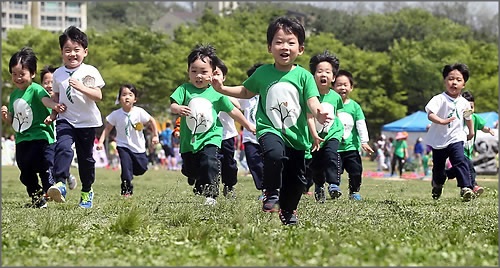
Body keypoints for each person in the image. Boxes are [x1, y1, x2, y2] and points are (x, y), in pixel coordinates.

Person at [211, 16, 331, 225]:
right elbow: (246, 90)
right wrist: (221, 88)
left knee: (296, 181)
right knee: (274, 154)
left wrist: (319, 112)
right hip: (269, 128)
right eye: (279, 42)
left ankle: (288, 210)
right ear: (270, 47)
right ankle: (270, 192)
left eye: (291, 42)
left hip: (296, 136)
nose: (285, 47)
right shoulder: (263, 72)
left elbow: (312, 100)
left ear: (300, 49)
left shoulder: (304, 76)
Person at [169, 44, 255, 206]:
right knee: (191, 169)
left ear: (212, 73)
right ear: (188, 72)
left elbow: (233, 111)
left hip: (211, 137)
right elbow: (173, 106)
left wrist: (248, 125)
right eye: (194, 71)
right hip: (190, 141)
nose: (198, 76)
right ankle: (195, 178)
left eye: (203, 72)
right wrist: (178, 108)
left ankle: (211, 195)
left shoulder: (217, 93)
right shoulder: (184, 89)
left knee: (210, 162)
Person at [46, 26, 106, 209]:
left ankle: (87, 191)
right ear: (62, 52)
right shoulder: (58, 74)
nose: (72, 54)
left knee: (86, 159)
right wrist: (54, 112)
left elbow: (98, 96)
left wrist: (81, 87)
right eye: (67, 50)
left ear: (85, 52)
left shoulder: (90, 71)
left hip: (87, 122)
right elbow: (56, 98)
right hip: (66, 120)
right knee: (63, 148)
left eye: (76, 50)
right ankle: (60, 184)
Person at [1, 47, 65, 208]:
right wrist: (5, 116)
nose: (18, 78)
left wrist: (55, 106)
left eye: (22, 74)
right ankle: (38, 199)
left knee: (45, 166)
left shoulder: (36, 89)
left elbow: (46, 101)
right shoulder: (14, 95)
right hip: (23, 139)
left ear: (33, 73)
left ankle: (51, 188)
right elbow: (14, 119)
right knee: (25, 172)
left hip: (42, 137)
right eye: (14, 74)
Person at [96, 84, 159, 197]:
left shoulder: (139, 112)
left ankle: (131, 170)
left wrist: (155, 135)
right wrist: (100, 142)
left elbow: (152, 121)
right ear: (119, 98)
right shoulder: (116, 114)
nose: (127, 97)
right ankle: (126, 191)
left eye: (130, 95)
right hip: (123, 145)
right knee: (125, 169)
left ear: (135, 99)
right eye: (124, 94)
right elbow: (108, 129)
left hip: (138, 147)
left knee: (142, 168)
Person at [423, 63, 475, 202]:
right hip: (439, 140)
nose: (454, 82)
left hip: (456, 137)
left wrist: (471, 131)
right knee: (439, 169)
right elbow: (430, 114)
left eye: (459, 80)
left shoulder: (464, 102)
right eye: (451, 79)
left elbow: (468, 117)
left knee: (460, 161)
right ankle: (438, 184)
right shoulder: (439, 99)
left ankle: (466, 188)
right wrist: (441, 121)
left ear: (463, 84)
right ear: (445, 81)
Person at [306, 50, 344, 203]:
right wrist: (314, 136)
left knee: (331, 156)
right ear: (313, 75)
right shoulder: (309, 95)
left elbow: (337, 114)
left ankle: (334, 184)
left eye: (328, 72)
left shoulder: (335, 96)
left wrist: (341, 131)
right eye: (319, 71)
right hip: (314, 136)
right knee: (316, 164)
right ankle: (319, 186)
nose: (323, 74)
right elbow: (309, 117)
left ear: (333, 77)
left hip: (332, 133)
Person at [333, 70, 374, 201]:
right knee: (334, 170)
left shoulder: (355, 107)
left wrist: (364, 142)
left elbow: (361, 124)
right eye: (339, 85)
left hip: (351, 148)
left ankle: (354, 191)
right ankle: (334, 187)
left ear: (351, 87)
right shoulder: (329, 104)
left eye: (345, 85)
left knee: (356, 171)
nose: (342, 88)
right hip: (334, 147)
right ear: (332, 86)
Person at [445, 90, 495, 197]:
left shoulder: (475, 118)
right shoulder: (457, 119)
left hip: (468, 151)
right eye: (466, 108)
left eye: (471, 107)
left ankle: (444, 175)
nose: (469, 110)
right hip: (458, 150)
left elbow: (482, 127)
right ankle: (473, 186)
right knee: (469, 167)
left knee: (460, 168)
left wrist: (489, 130)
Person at [40, 65, 78, 191]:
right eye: (46, 82)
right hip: (47, 138)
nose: (49, 85)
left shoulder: (64, 99)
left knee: (60, 158)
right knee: (49, 162)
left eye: (52, 82)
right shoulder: (41, 99)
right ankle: (61, 180)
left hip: (62, 136)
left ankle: (62, 179)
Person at [214, 60, 242, 199]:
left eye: (217, 74)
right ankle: (210, 188)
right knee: (213, 162)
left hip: (227, 136)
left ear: (223, 77)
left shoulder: (227, 93)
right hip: (210, 136)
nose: (213, 77)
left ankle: (229, 186)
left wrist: (221, 94)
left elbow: (238, 106)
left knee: (228, 163)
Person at [238, 63, 265, 200]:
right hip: (250, 138)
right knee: (254, 164)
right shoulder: (246, 97)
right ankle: (264, 190)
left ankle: (274, 189)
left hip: (268, 136)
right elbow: (233, 102)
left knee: (271, 164)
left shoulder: (270, 95)